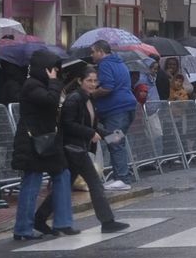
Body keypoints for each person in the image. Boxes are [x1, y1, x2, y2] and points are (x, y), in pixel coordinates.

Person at [37, 66, 129, 234]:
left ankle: (40, 217)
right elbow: (68, 124)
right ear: (80, 81)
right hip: (72, 149)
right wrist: (90, 133)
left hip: (78, 148)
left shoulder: (88, 99)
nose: (92, 84)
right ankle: (107, 221)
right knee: (95, 184)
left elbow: (90, 125)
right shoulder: (74, 99)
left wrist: (109, 135)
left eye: (95, 81)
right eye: (89, 81)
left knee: (64, 186)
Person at [12, 49, 75, 240]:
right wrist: (55, 84)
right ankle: (23, 229)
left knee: (63, 174)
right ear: (44, 68)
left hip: (47, 140)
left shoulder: (44, 84)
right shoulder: (32, 85)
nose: (55, 72)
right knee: (31, 184)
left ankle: (63, 221)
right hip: (34, 143)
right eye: (52, 69)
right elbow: (50, 101)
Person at [88, 40, 138, 191]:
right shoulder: (119, 62)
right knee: (115, 141)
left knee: (115, 143)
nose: (91, 55)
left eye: (93, 52)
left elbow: (108, 87)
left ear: (101, 52)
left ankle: (122, 178)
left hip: (116, 110)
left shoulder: (105, 64)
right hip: (126, 108)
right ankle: (119, 176)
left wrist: (91, 94)